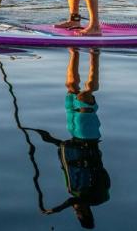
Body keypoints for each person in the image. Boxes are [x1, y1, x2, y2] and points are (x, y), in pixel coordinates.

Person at [31, 49, 110, 229]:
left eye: (76, 213)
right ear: (88, 212)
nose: (76, 210)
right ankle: (94, 54)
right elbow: (86, 196)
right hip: (88, 136)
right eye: (80, 212)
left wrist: (51, 140)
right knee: (85, 96)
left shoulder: (72, 189)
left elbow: (70, 161)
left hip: (73, 134)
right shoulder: (98, 198)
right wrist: (59, 208)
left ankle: (73, 52)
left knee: (71, 88)